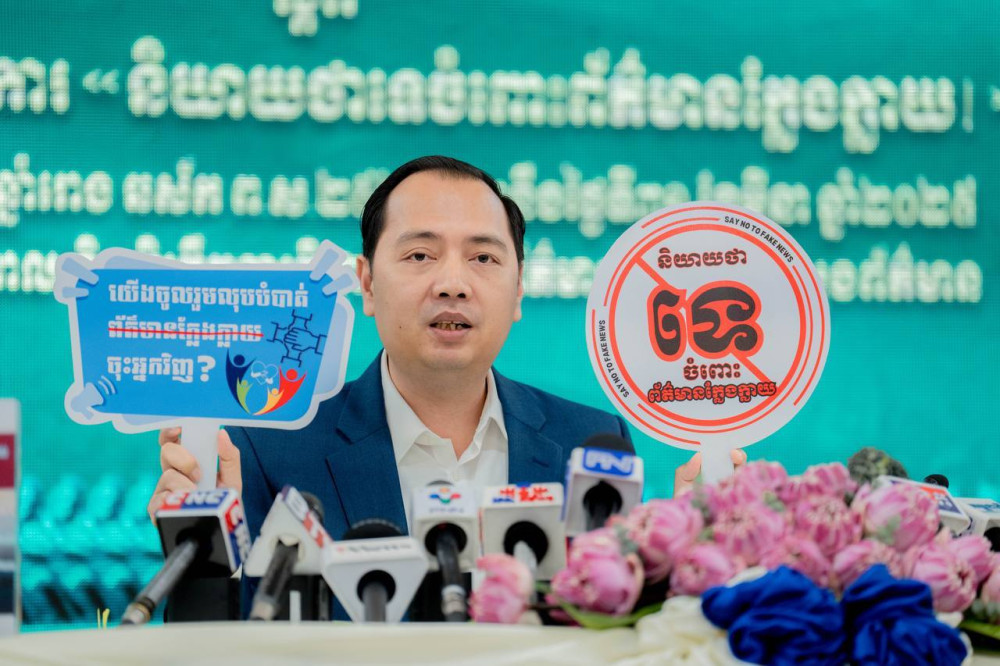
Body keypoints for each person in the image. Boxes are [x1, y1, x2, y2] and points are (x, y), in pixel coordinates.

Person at [148, 155, 744, 537]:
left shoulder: (590, 442)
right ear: (367, 284)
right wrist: (203, 554)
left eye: (483, 257)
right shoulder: (267, 448)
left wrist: (686, 556)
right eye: (420, 255)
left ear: (518, 291)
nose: (453, 283)